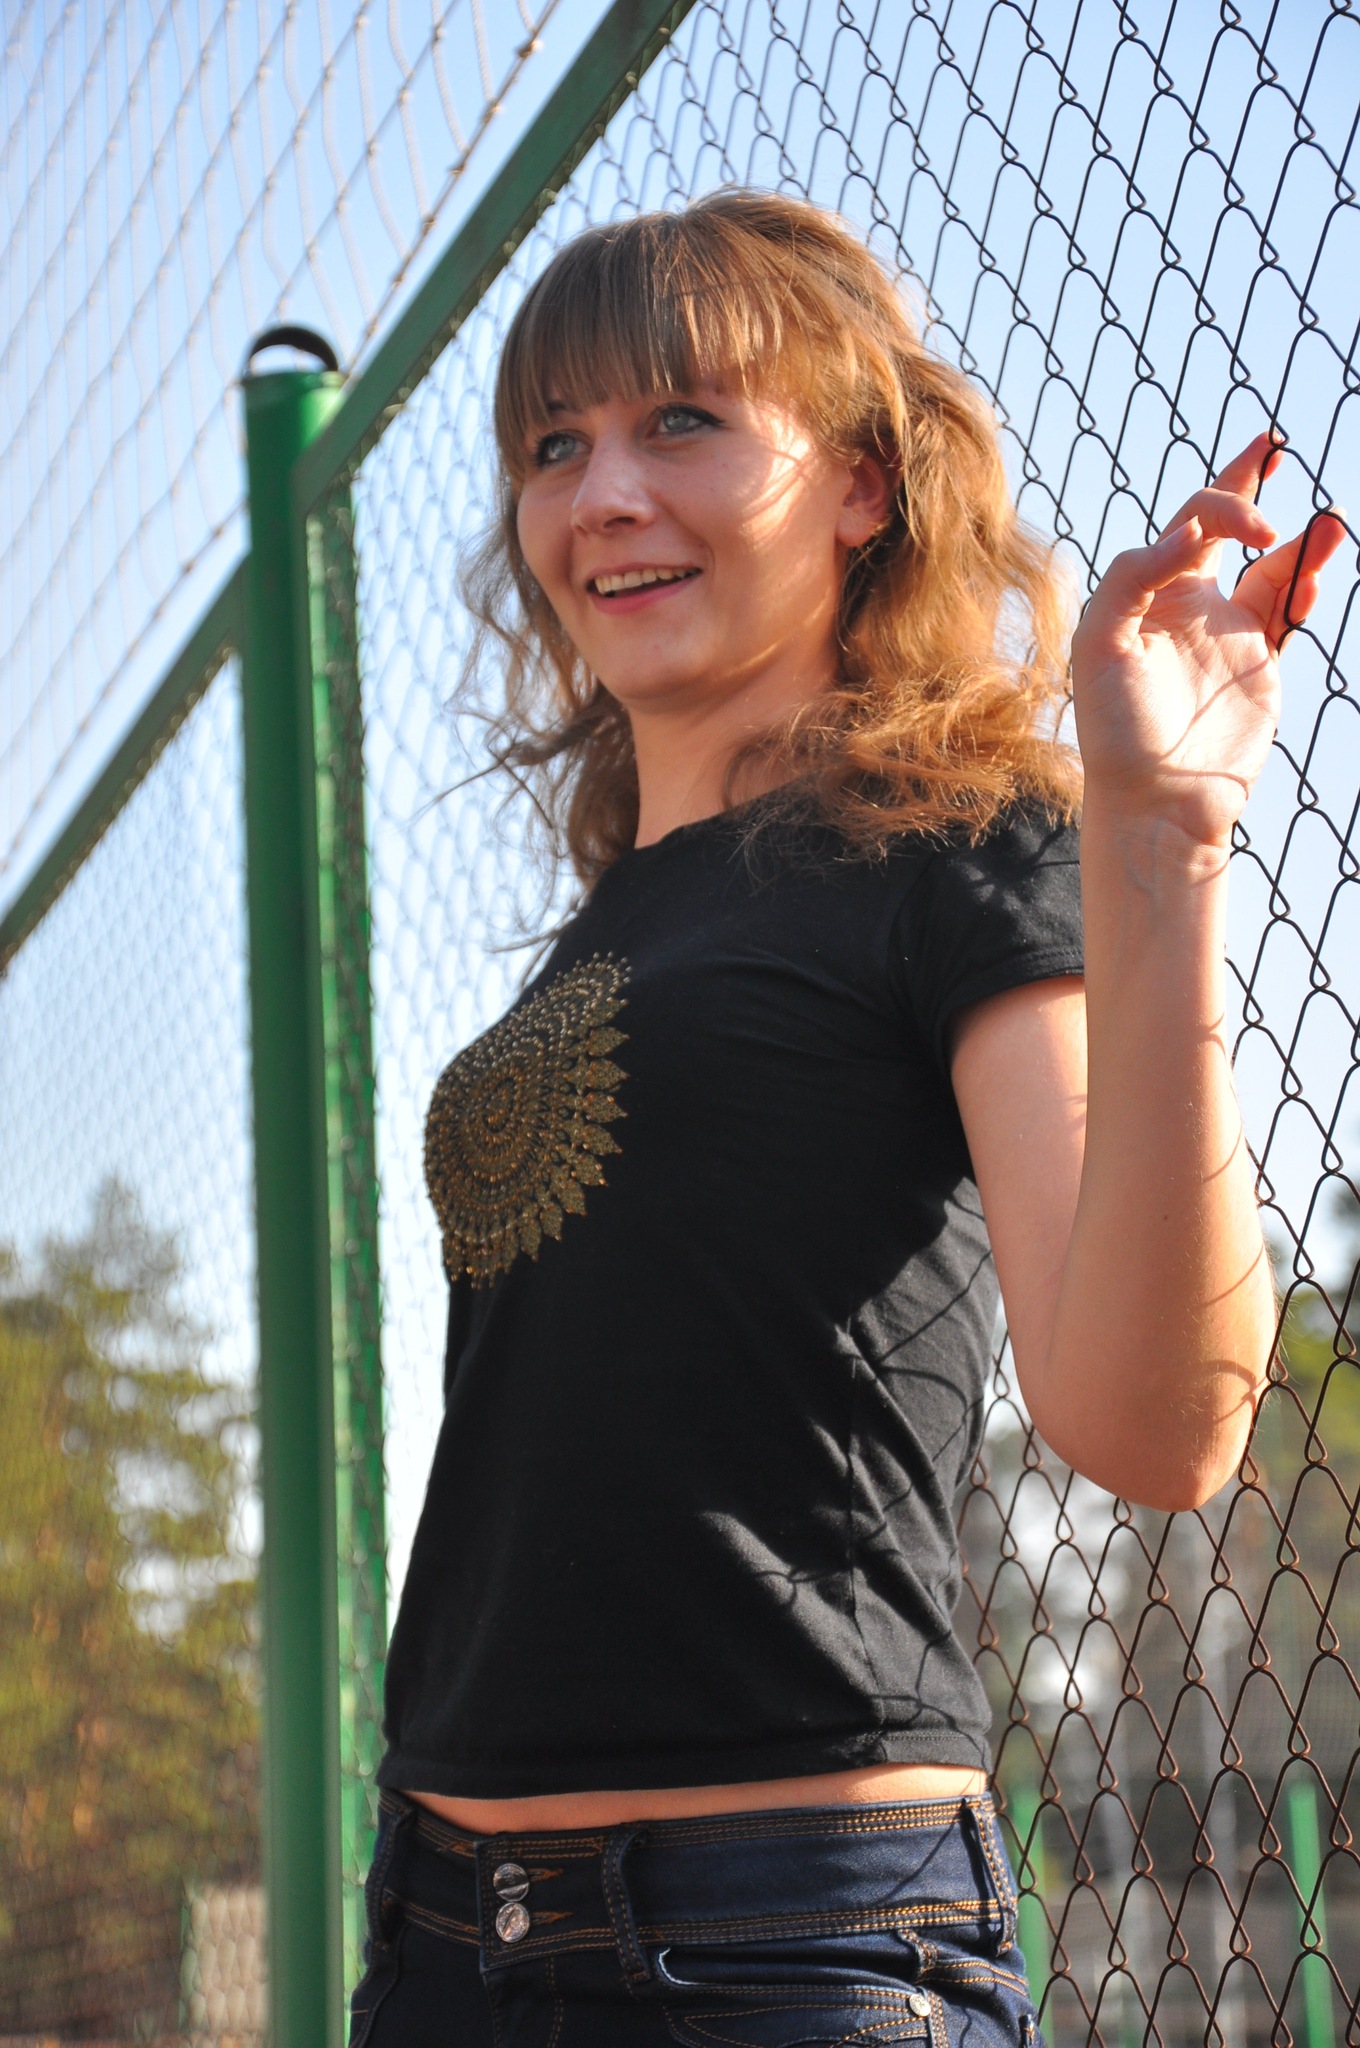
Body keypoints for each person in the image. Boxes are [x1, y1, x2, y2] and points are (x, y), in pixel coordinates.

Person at [348, 191, 1345, 2046]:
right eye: (554, 446)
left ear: (863, 489)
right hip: (440, 1934)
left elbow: (1155, 1425)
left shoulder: (958, 848)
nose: (602, 495)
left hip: (787, 1938)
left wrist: (1157, 837)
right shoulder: (609, 919)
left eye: (682, 422)